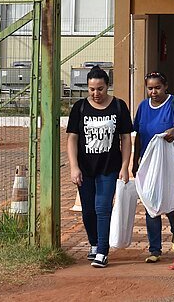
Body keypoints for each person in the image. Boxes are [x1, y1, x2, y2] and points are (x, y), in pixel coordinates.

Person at [65, 66, 132, 268]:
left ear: (108, 86)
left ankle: (102, 251)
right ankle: (94, 243)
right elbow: (72, 138)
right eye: (92, 89)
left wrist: (125, 166)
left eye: (100, 89)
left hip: (109, 167)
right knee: (88, 210)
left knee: (103, 207)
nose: (96, 93)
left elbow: (126, 138)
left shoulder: (119, 106)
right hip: (85, 168)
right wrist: (74, 167)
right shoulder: (80, 108)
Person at [132, 71, 174, 263]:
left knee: (169, 197)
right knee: (151, 201)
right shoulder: (143, 106)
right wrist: (135, 161)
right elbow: (139, 135)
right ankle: (154, 249)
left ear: (165, 86)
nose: (154, 92)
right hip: (149, 162)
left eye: (157, 87)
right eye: (150, 88)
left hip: (173, 160)